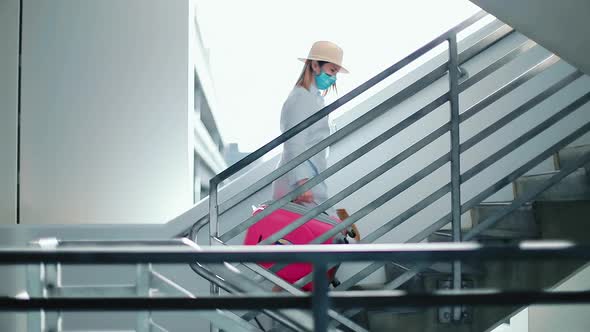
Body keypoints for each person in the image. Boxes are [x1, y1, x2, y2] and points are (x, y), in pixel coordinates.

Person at [271, 40, 348, 216]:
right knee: (324, 235)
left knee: (325, 232)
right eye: (332, 71)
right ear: (315, 65)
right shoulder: (301, 98)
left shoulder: (313, 99)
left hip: (309, 178)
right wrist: (301, 182)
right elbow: (294, 143)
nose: (334, 78)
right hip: (300, 184)